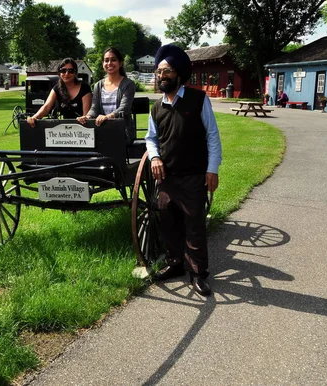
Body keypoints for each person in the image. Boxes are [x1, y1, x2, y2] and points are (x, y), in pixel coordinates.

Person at [145, 44, 222, 296]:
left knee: (194, 225)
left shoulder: (198, 99)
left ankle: (198, 274)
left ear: (178, 73)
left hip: (193, 176)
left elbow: (212, 135)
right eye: (158, 72)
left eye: (166, 71)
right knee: (168, 222)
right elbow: (151, 138)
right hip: (166, 177)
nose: (161, 76)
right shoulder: (157, 108)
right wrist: (155, 158)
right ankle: (175, 264)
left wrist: (212, 169)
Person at [78, 47, 136, 144]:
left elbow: (124, 108)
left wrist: (107, 117)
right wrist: (87, 117)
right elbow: (94, 108)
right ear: (103, 64)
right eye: (106, 60)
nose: (109, 63)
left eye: (113, 60)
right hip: (102, 130)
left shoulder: (128, 84)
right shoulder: (98, 85)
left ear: (120, 63)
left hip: (123, 132)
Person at [26, 58, 92, 127]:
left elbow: (86, 114)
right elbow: (46, 107)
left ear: (75, 73)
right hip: (64, 128)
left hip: (82, 127)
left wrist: (83, 118)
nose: (67, 74)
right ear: (59, 73)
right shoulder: (57, 88)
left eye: (71, 71)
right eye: (63, 71)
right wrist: (34, 117)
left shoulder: (84, 88)